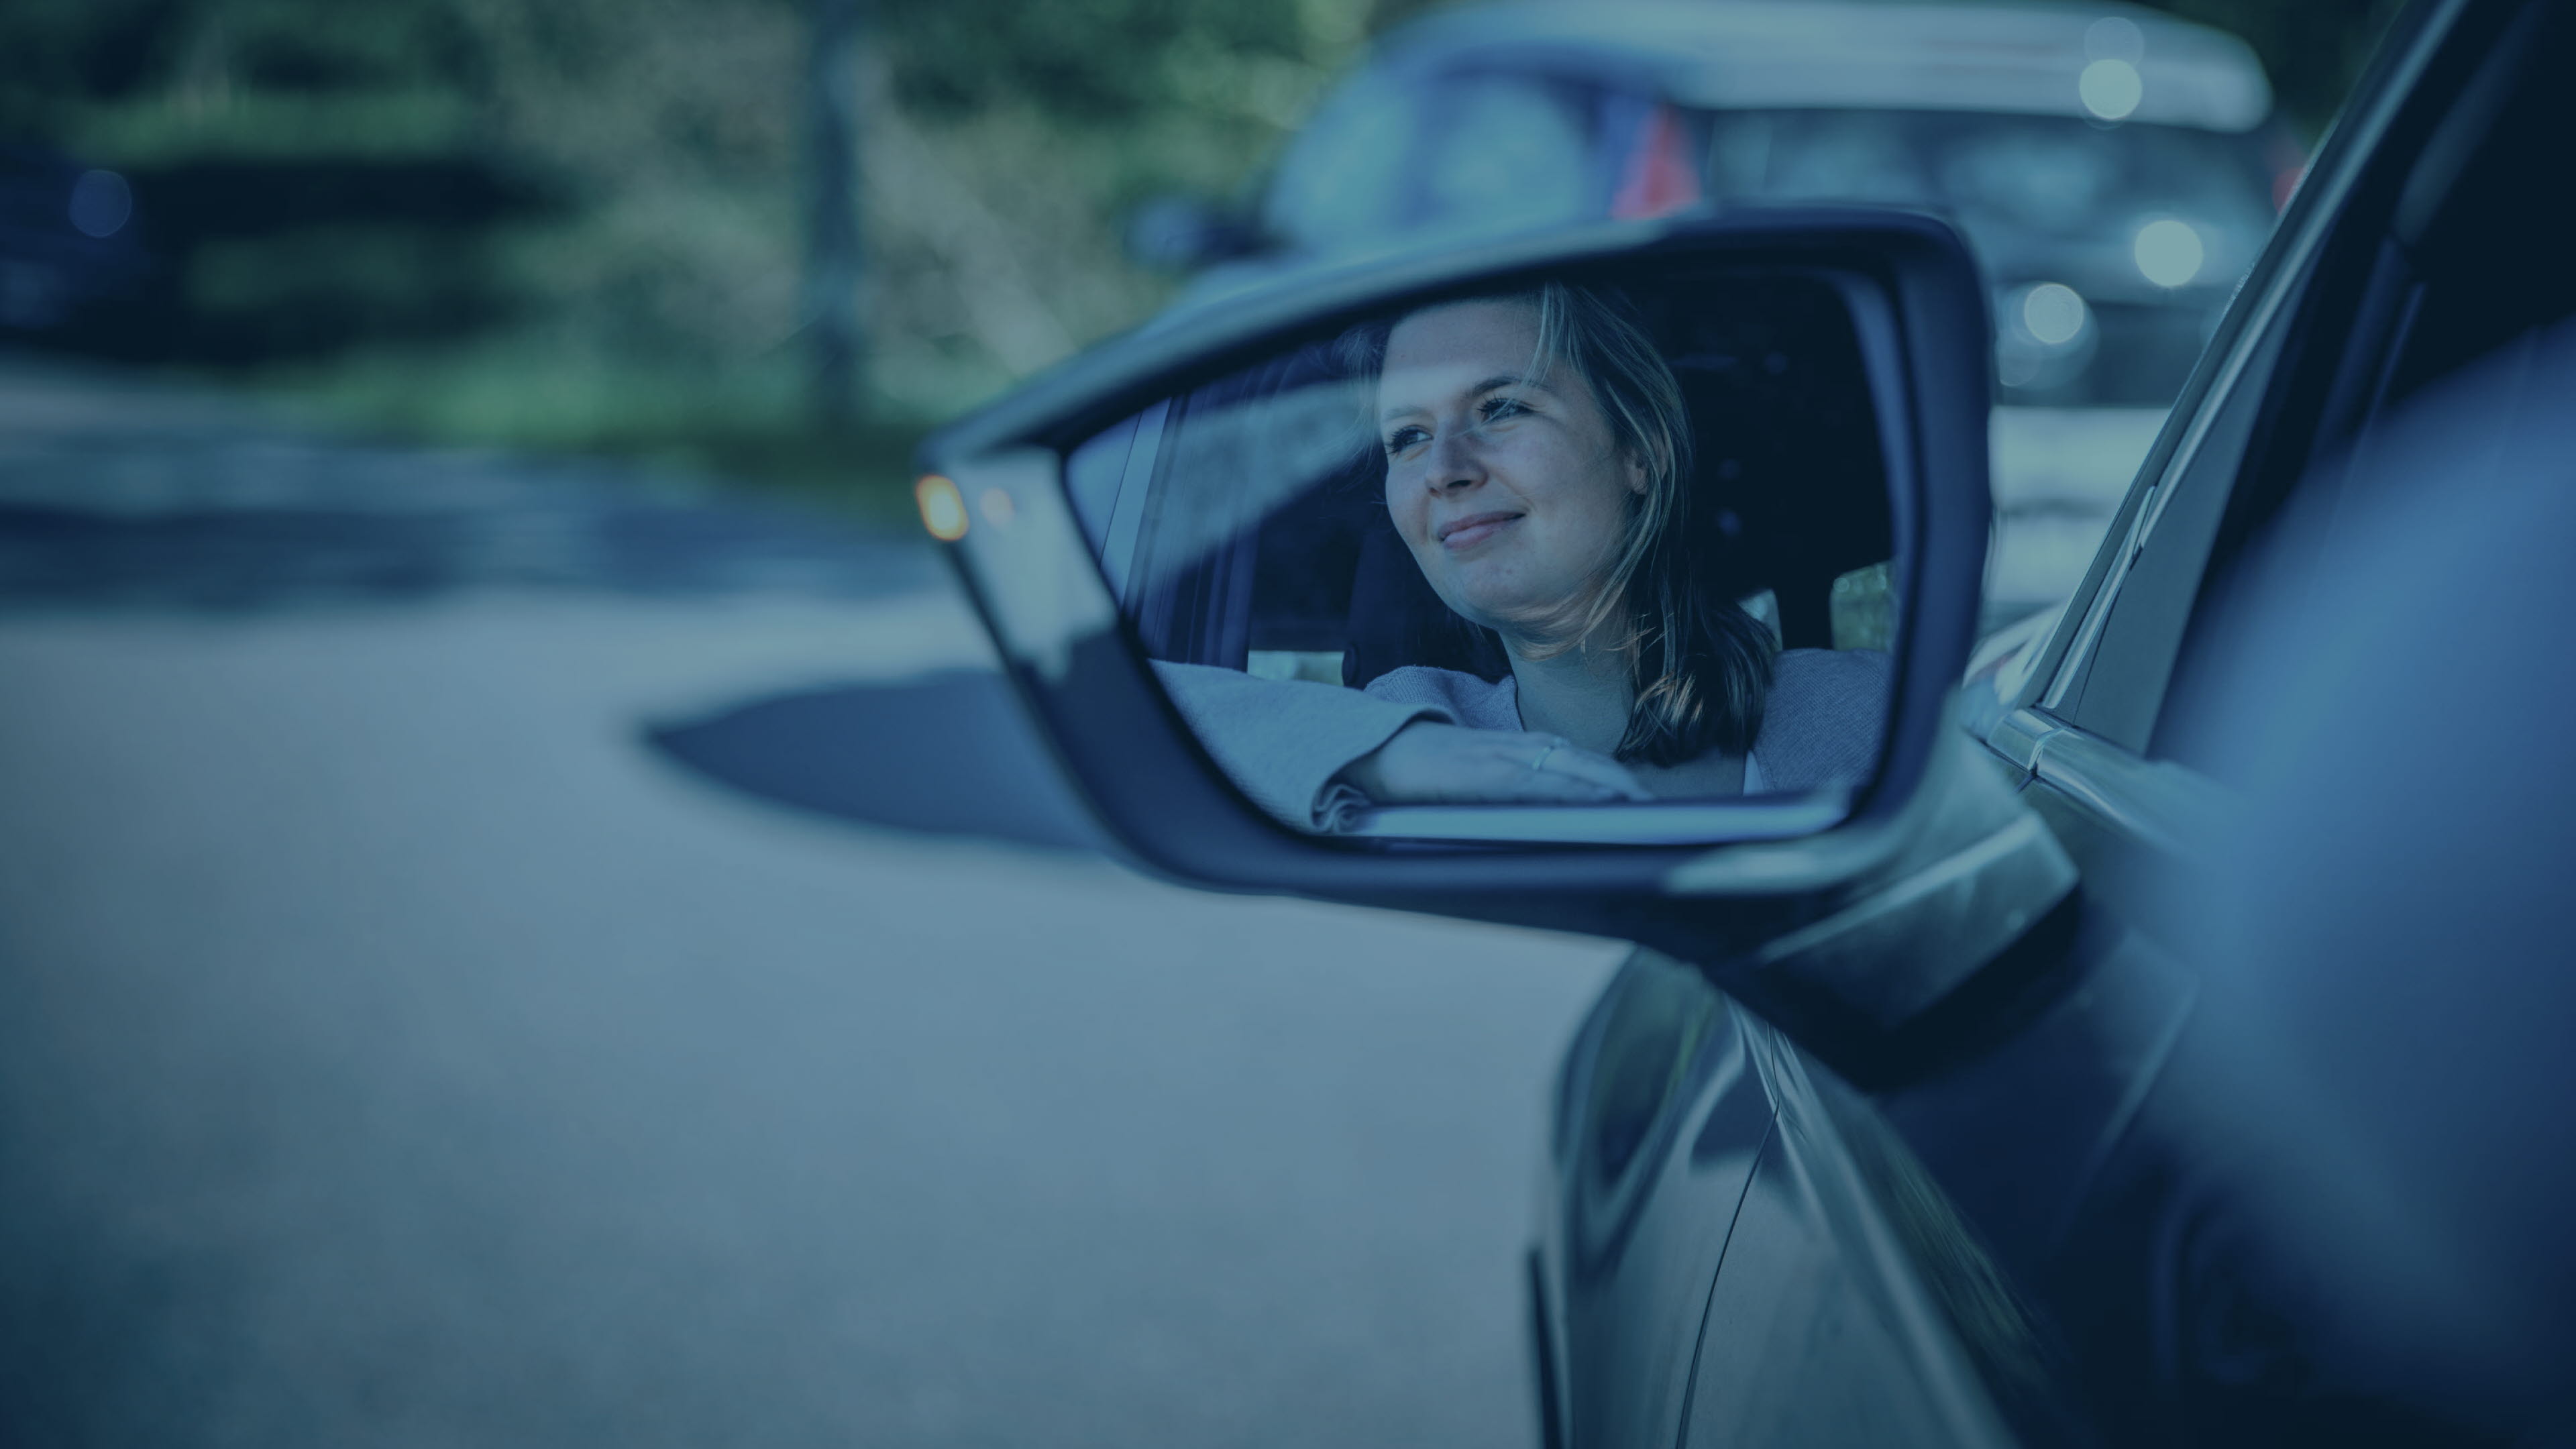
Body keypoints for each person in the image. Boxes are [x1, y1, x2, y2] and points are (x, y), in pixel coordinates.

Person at [1159, 281, 1888, 830]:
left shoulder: (1869, 708)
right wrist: (1396, 759)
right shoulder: (1409, 720)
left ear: (1641, 450)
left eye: (1501, 407)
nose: (1444, 467)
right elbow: (1117, 709)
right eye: (1407, 436)